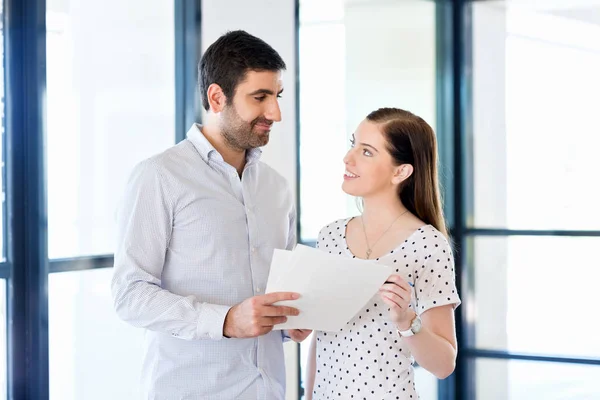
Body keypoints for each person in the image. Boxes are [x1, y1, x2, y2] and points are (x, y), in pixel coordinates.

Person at [111, 30, 311, 400]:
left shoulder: (277, 188)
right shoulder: (159, 176)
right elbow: (130, 294)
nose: (276, 113)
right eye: (260, 97)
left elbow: (275, 292)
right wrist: (225, 320)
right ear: (217, 97)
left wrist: (291, 324)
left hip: (269, 390)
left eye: (277, 96)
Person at [305, 108, 461, 399]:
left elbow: (443, 365)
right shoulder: (329, 237)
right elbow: (321, 340)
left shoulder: (428, 245)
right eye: (353, 144)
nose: (348, 158)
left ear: (400, 172)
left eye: (366, 152)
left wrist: (406, 321)